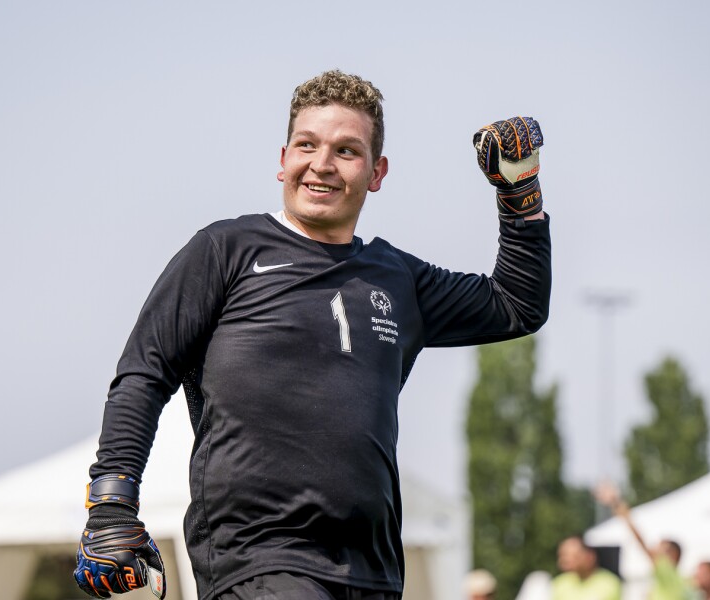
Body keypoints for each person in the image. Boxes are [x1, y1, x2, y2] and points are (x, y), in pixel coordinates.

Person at [71, 69, 551, 600]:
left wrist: (520, 189)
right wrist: (111, 502)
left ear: (377, 172)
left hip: (373, 570)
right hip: (257, 559)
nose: (322, 164)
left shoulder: (398, 277)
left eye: (346, 150)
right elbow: (145, 371)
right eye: (307, 145)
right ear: (283, 160)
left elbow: (516, 306)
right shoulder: (224, 251)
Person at [594, 482, 695, 600]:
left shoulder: (666, 570)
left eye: (661, 548)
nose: (655, 550)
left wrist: (618, 505)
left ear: (673, 555)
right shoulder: (679, 579)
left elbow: (641, 541)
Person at [551, 535, 623, 600]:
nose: (565, 560)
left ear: (590, 556)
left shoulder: (609, 583)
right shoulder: (559, 582)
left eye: (574, 556)